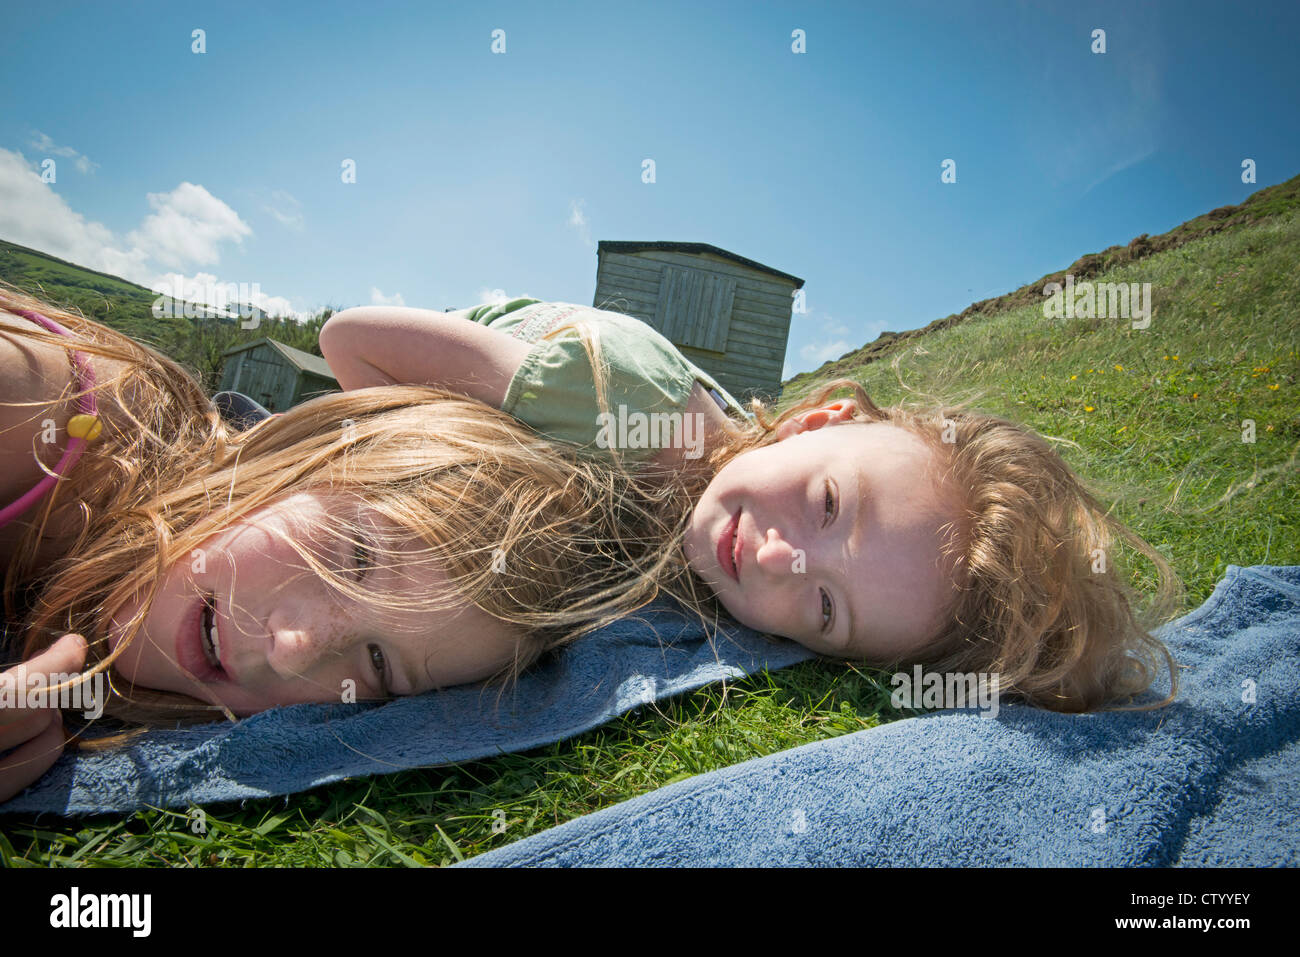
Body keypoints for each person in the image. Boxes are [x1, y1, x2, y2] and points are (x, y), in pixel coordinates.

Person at [320, 297, 1184, 714]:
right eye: (828, 504)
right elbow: (348, 341)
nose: (777, 559)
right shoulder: (619, 404)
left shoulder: (720, 541)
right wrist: (411, 477)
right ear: (813, 420)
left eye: (823, 606)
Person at [0, 283, 685, 802]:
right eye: (354, 554)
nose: (293, 646)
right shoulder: (44, 409)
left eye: (379, 665)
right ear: (315, 446)